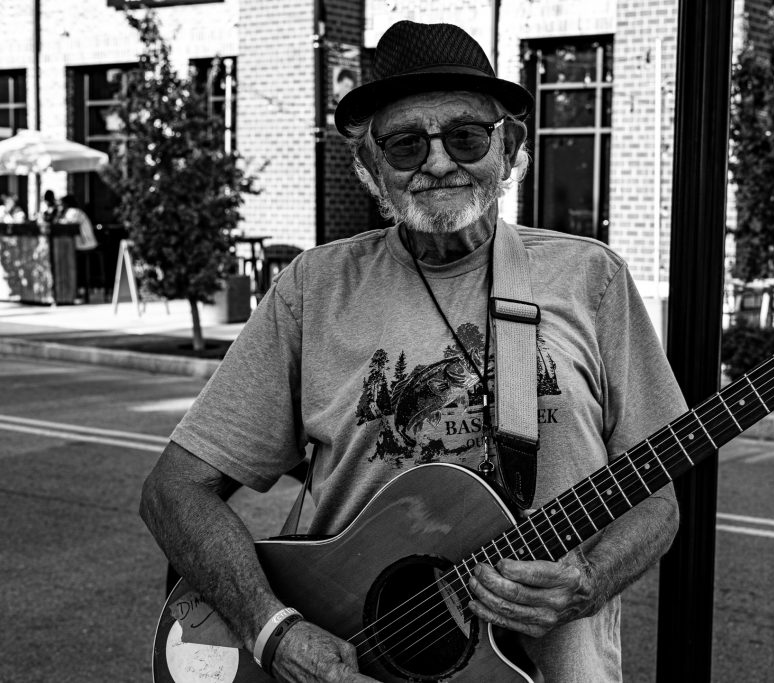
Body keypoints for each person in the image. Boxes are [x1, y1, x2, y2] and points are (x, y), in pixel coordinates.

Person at [140, 20, 686, 683]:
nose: (436, 162)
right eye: (404, 144)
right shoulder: (314, 289)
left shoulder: (592, 280)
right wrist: (272, 629)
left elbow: (656, 499)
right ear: (370, 167)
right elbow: (175, 491)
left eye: (465, 136)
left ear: (509, 146)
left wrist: (591, 579)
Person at [58, 194, 98, 300]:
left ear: (66, 204)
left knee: (64, 257)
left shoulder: (73, 212)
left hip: (85, 244)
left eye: (61, 204)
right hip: (82, 244)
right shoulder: (72, 212)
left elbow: (64, 226)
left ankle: (72, 288)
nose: (60, 206)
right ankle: (72, 288)